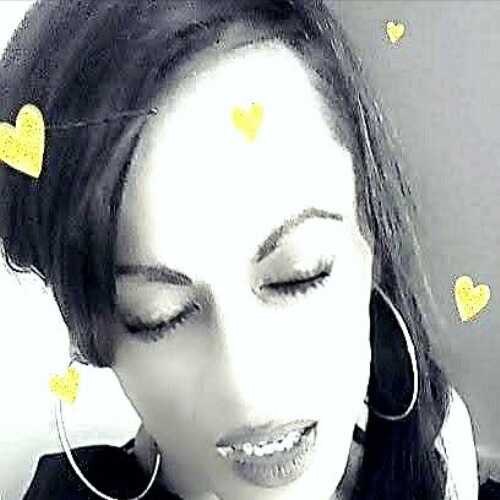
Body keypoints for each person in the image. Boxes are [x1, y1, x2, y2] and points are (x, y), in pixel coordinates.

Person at [0, 0, 479, 499]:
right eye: (160, 316)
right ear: (89, 333)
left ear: (370, 238)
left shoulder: (441, 447)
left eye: (298, 275)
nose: (248, 390)